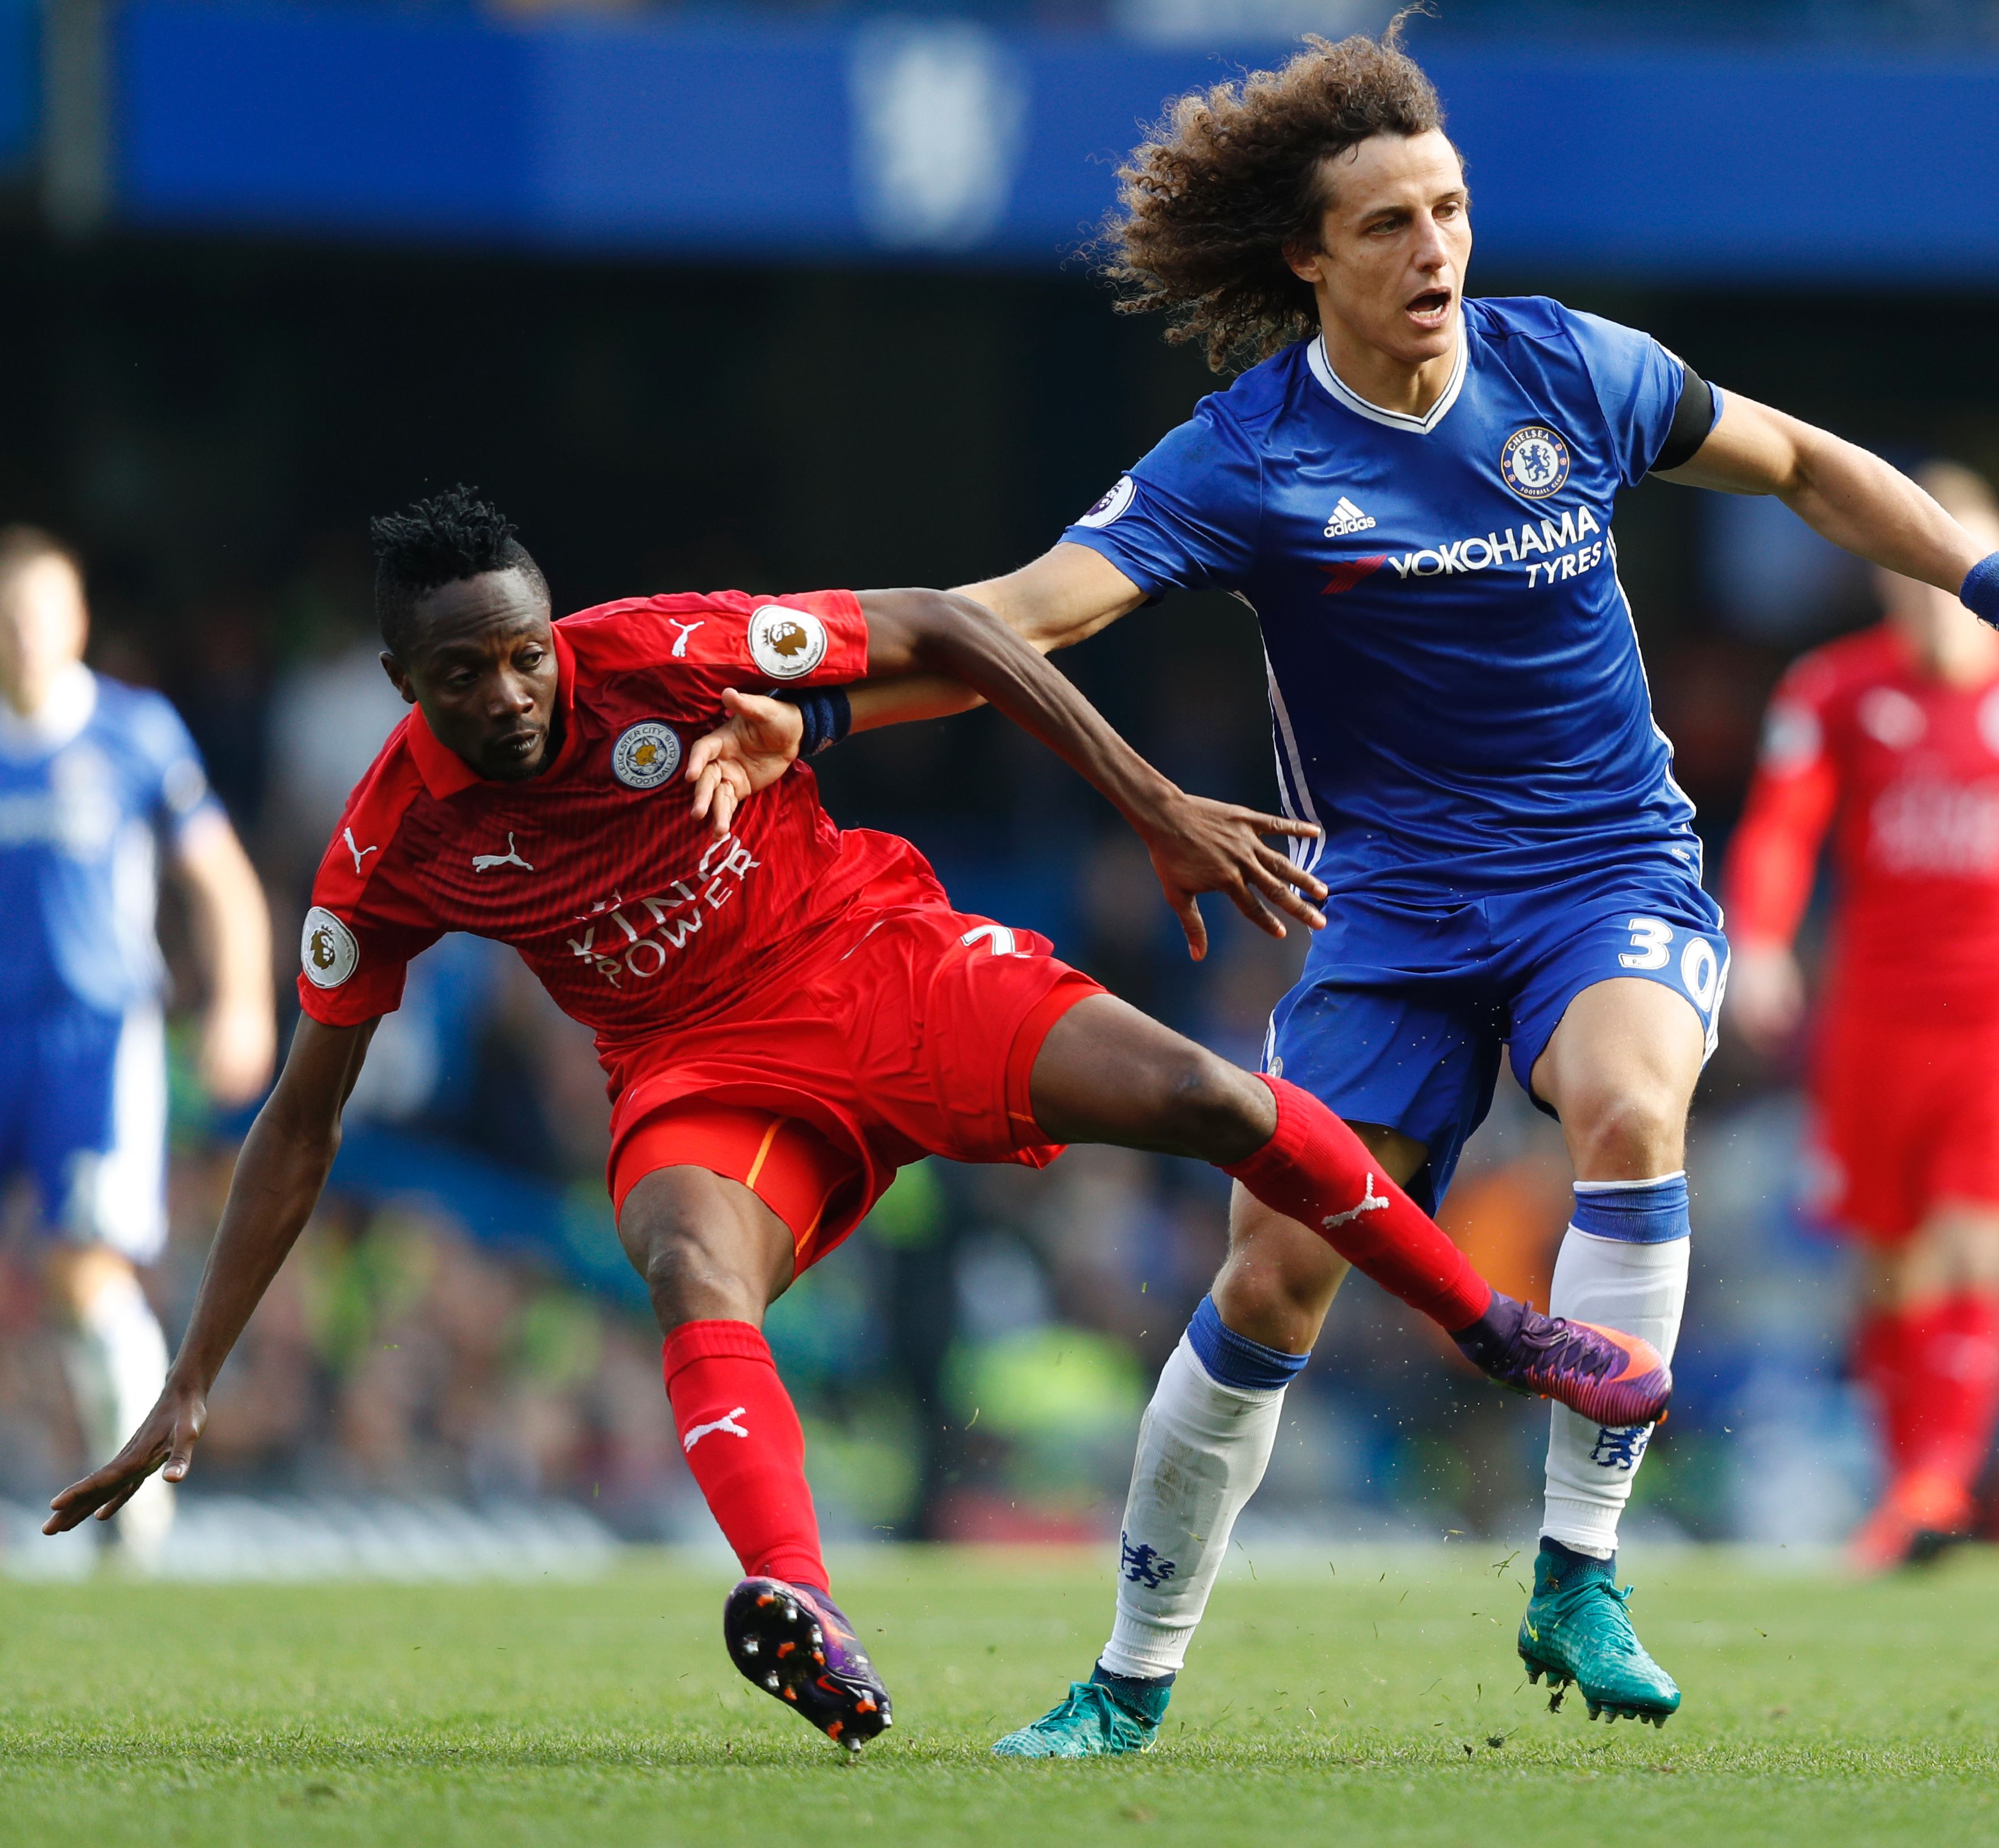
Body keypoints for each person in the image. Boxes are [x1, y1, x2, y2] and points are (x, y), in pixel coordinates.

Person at [695, 16, 1999, 1749]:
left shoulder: (1573, 372)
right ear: (1309, 256)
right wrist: (826, 707)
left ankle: (1580, 1572)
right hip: (1384, 911)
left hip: (1601, 866)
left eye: (1452, 210)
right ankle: (1129, 1679)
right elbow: (1029, 615)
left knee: (1628, 1105)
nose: (1436, 251)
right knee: (1270, 1284)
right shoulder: (1245, 456)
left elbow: (1808, 464)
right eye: (1390, 225)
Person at [43, 488, 1670, 1755]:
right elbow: (302, 1123)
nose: (513, 692)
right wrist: (192, 1380)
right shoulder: (389, 842)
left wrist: (1158, 810)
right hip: (707, 1072)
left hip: (876, 963)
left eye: (526, 650)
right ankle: (799, 1605)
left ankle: (1502, 1332)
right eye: (462, 673)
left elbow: (956, 633)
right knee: (688, 1257)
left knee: (1208, 1098)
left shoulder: (667, 650)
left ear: (558, 630)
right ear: (403, 685)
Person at [1719, 464, 1999, 1570]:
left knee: (1977, 1250)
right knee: (1889, 1268)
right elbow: (1781, 828)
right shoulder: (1834, 692)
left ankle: (1932, 1485)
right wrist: (1760, 943)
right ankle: (1915, 1482)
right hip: (1872, 1027)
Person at [0, 527, 277, 1567]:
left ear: (75, 624)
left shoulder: (132, 735)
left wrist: (244, 1001)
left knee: (85, 1271)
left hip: (92, 1038)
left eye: (41, 615)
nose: (24, 637)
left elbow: (220, 880)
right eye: (8, 619)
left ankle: (132, 1492)